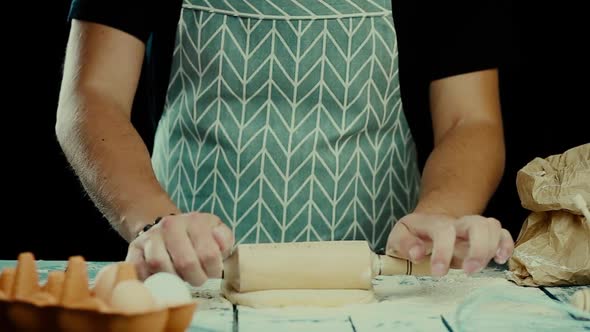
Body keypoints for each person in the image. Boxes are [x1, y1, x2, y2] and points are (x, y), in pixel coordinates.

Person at [56, 0, 514, 286]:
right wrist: (153, 222)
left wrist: (443, 213)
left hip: (383, 280)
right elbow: (93, 96)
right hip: (187, 276)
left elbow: (468, 119)